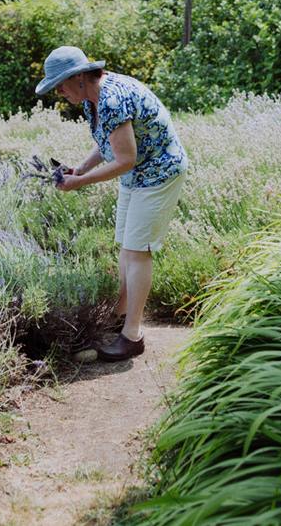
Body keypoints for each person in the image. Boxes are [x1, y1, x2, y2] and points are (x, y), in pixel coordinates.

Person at [35, 45, 188, 361]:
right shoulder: (93, 96)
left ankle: (132, 335)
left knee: (138, 251)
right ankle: (120, 314)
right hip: (138, 174)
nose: (59, 92)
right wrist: (80, 168)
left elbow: (125, 159)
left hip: (158, 172)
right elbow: (108, 143)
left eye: (60, 84)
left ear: (78, 77)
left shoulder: (111, 99)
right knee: (126, 245)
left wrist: (81, 182)